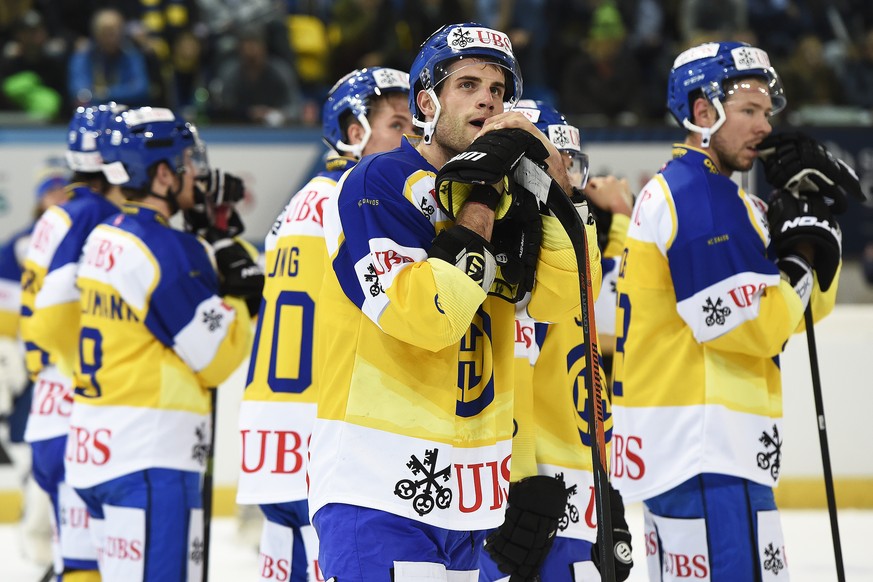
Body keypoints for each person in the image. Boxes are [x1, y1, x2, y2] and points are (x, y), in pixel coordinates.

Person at [307, 22, 598, 580]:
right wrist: (482, 196)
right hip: (379, 492)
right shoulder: (378, 180)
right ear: (425, 102)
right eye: (467, 84)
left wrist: (555, 191)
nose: (488, 98)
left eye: (497, 88)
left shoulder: (510, 194)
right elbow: (424, 316)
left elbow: (563, 302)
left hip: (472, 501)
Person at [611, 41, 843, 580]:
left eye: (766, 112)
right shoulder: (698, 194)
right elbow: (752, 328)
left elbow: (798, 314)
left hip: (702, 448)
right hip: (706, 448)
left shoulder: (727, 199)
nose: (765, 126)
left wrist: (815, 246)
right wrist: (802, 259)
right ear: (702, 111)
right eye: (748, 111)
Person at [64, 106, 262, 582]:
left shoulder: (104, 236)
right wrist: (242, 299)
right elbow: (215, 361)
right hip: (149, 461)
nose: (196, 172)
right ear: (160, 175)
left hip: (96, 452)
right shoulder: (168, 250)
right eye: (186, 162)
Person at [236, 65, 413, 582]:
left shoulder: (297, 204)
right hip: (321, 439)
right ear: (355, 132)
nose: (414, 140)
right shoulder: (355, 201)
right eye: (400, 125)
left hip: (273, 438)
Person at [477, 98, 635, 582]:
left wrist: (605, 485)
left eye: (568, 163)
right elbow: (512, 375)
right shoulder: (519, 256)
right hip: (538, 495)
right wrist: (520, 483)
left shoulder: (571, 251)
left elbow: (602, 348)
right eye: (552, 163)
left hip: (581, 486)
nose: (565, 178)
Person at [19, 105, 128, 582]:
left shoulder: (58, 214)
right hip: (79, 414)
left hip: (49, 409)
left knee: (78, 563)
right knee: (90, 568)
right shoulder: (99, 217)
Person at [0, 163, 69, 569]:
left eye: (64, 190)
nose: (58, 197)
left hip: (67, 366)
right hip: (36, 370)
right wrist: (10, 367)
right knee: (37, 457)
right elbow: (7, 320)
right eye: (51, 190)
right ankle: (36, 535)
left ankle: (48, 536)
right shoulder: (22, 246)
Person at [67, 8, 150, 107]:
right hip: (95, 114)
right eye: (106, 31)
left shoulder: (131, 54)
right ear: (96, 32)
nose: (111, 35)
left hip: (128, 112)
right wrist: (120, 93)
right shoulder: (83, 56)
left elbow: (141, 89)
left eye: (115, 30)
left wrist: (104, 93)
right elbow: (80, 93)